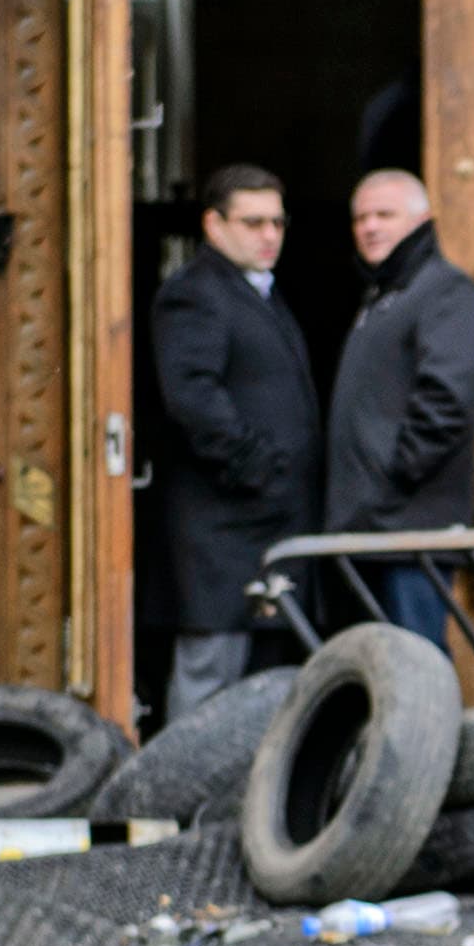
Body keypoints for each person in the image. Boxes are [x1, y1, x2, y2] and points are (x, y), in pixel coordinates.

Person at [149, 163, 321, 719]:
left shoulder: (258, 292)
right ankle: (183, 803)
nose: (270, 235)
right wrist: (260, 470)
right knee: (209, 682)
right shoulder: (196, 294)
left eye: (277, 222)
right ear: (213, 225)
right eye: (253, 223)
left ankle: (244, 807)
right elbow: (194, 399)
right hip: (222, 532)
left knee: (263, 689)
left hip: (265, 527)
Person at [325, 169, 474, 649]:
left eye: (384, 215)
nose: (369, 227)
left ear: (421, 220)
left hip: (409, 526)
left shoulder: (446, 292)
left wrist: (394, 477)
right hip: (374, 526)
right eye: (360, 218)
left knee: (415, 667)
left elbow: (445, 401)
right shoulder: (384, 295)